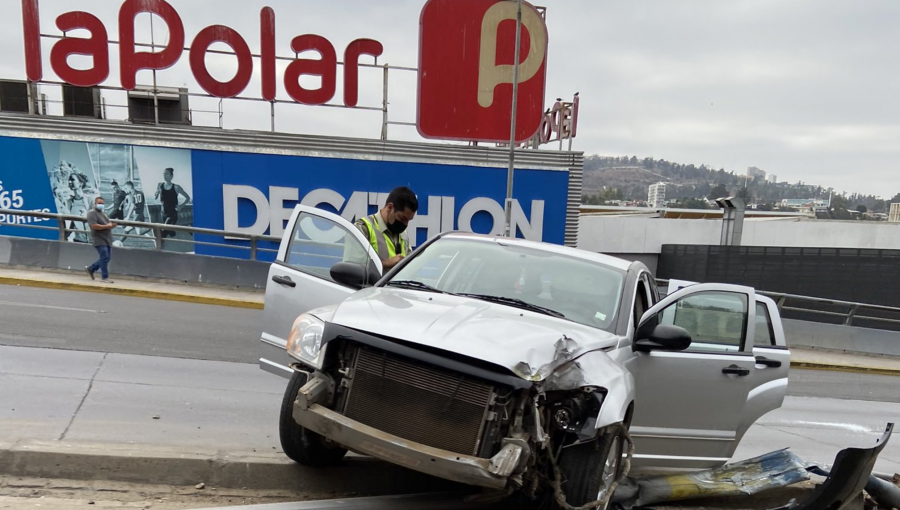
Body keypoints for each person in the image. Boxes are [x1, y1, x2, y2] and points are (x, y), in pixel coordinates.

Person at [354, 186, 418, 270]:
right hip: (373, 283)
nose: (405, 224)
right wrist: (385, 264)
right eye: (402, 218)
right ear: (390, 207)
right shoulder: (363, 228)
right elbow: (353, 268)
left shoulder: (403, 233)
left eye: (409, 220)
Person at [85, 197, 116, 283]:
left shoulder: (103, 213)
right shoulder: (91, 214)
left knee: (107, 258)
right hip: (99, 239)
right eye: (99, 203)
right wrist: (107, 226)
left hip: (107, 239)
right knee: (104, 257)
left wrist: (111, 225)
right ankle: (104, 277)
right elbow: (93, 225)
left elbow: (108, 223)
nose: (101, 205)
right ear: (95, 204)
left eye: (102, 203)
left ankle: (91, 269)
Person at [155, 168, 191, 238]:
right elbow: (156, 197)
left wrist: (181, 206)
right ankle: (184, 231)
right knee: (170, 232)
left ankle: (158, 248)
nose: (164, 175)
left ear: (171, 176)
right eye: (164, 174)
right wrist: (156, 194)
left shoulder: (176, 187)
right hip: (163, 213)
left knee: (164, 232)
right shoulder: (160, 185)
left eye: (166, 174)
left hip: (172, 214)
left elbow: (188, 198)